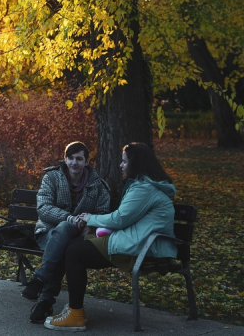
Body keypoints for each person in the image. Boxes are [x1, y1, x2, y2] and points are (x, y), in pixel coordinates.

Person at [44, 142, 177, 332]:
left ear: (136, 164)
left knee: (74, 252)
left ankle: (75, 314)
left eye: (124, 162)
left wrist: (91, 218)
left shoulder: (144, 189)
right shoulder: (144, 185)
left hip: (143, 247)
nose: (121, 166)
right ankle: (69, 307)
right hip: (137, 241)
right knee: (73, 246)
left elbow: (120, 218)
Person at [23, 141, 111, 323]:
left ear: (87, 162)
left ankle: (41, 282)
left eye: (79, 159)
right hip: (48, 232)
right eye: (70, 158)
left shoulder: (98, 185)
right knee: (64, 237)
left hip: (80, 236)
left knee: (66, 246)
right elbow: (44, 209)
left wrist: (91, 225)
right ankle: (45, 301)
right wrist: (70, 218)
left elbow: (103, 213)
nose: (74, 163)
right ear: (65, 159)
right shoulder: (52, 177)